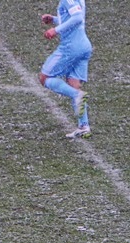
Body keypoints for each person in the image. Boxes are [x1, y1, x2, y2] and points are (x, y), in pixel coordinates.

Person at [39, 0, 93, 139]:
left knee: (44, 78)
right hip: (84, 46)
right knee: (73, 83)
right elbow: (74, 18)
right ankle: (83, 126)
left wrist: (55, 30)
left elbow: (77, 17)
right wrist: (55, 19)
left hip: (71, 47)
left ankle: (77, 96)